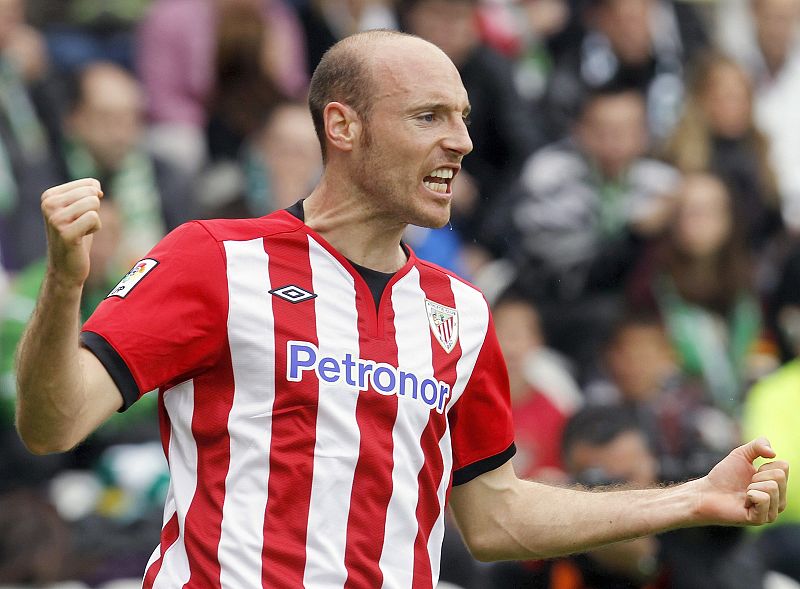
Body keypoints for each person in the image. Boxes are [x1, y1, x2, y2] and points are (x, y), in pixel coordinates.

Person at [14, 30, 788, 588]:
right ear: (342, 126)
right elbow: (50, 423)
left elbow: (496, 518)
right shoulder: (215, 257)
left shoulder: (463, 311)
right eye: (429, 117)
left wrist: (693, 498)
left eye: (463, 118)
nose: (461, 142)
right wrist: (62, 284)